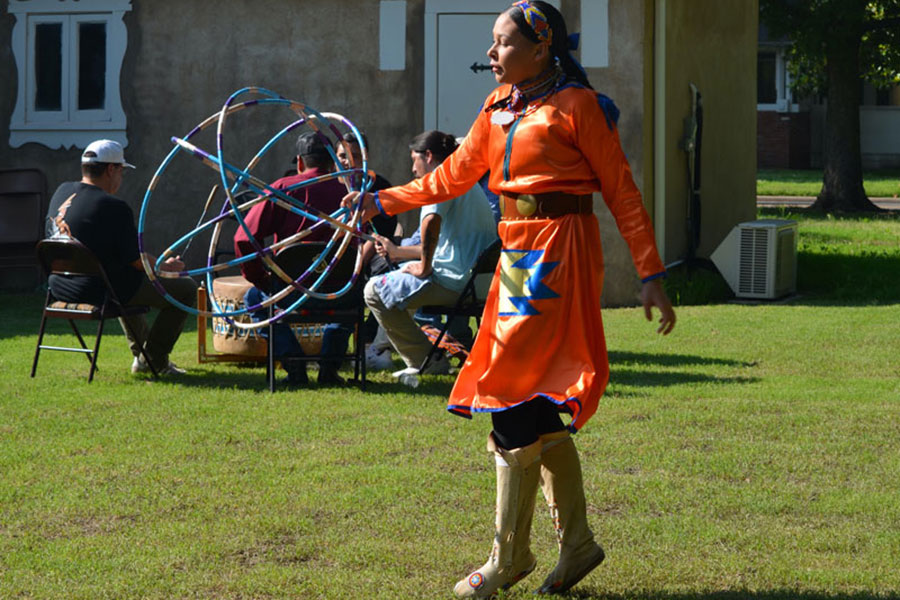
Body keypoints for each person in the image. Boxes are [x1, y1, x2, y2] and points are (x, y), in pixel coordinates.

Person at [343, 2, 676, 597]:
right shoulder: (496, 110)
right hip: (517, 257)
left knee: (511, 397)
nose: (491, 53)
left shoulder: (576, 107)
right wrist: (384, 200)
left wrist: (649, 271)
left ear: (542, 46)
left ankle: (508, 559)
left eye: (502, 43)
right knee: (530, 401)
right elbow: (449, 178)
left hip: (560, 254)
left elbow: (622, 191)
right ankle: (576, 545)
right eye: (492, 44)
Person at [46, 139, 198, 375]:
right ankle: (154, 360)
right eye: (122, 172)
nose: (121, 178)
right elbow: (137, 261)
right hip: (98, 290)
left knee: (123, 277)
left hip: (59, 285)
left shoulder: (62, 191)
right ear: (111, 169)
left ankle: (143, 355)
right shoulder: (113, 206)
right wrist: (165, 267)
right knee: (186, 288)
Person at [363, 130, 498, 377]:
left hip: (455, 283)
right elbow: (440, 242)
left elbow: (430, 222)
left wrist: (423, 266)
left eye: (413, 160)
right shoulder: (466, 181)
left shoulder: (439, 180)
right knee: (402, 279)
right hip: (479, 283)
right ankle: (427, 354)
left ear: (427, 156)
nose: (413, 170)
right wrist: (401, 253)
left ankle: (426, 360)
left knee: (374, 291)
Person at [233, 132, 353, 386]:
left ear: (299, 162)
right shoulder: (348, 195)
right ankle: (329, 369)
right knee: (348, 300)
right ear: (333, 162)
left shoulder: (283, 189)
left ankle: (294, 364)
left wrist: (261, 280)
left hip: (291, 290)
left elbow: (243, 239)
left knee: (254, 298)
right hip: (338, 291)